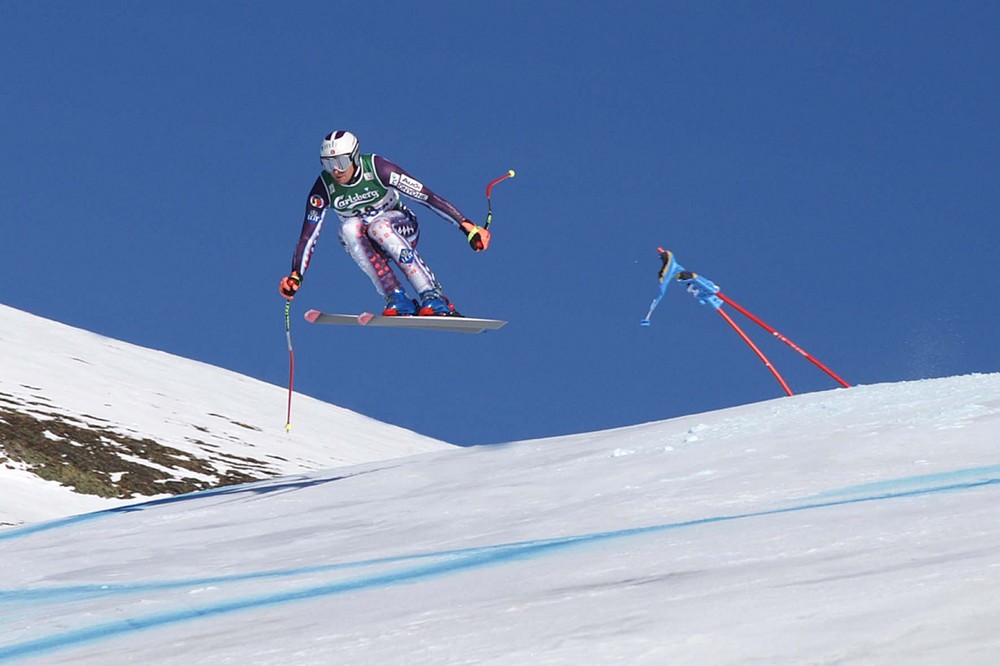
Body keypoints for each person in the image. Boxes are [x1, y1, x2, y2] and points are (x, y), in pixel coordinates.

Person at [278, 130, 490, 316]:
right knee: (348, 228)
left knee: (379, 226)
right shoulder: (324, 187)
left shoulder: (378, 169)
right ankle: (396, 297)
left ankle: (432, 294)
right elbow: (308, 236)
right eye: (328, 164)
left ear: (354, 157)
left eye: (341, 162)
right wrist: (296, 274)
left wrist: (466, 226)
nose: (336, 171)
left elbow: (427, 196)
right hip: (369, 245)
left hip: (400, 227)